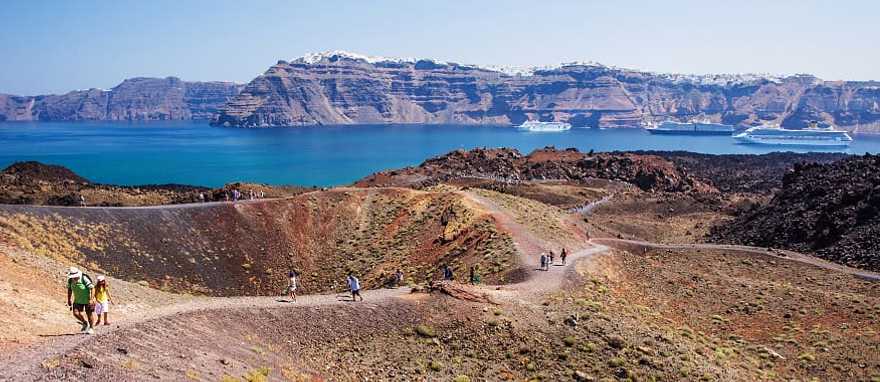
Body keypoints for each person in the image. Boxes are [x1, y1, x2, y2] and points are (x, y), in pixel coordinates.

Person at [66, 267, 96, 334]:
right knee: (75, 313)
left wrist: (91, 299)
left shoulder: (83, 278)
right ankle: (85, 323)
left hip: (87, 300)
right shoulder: (70, 280)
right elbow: (69, 290)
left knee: (89, 314)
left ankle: (91, 328)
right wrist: (69, 299)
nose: (74, 278)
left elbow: (92, 288)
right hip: (77, 300)